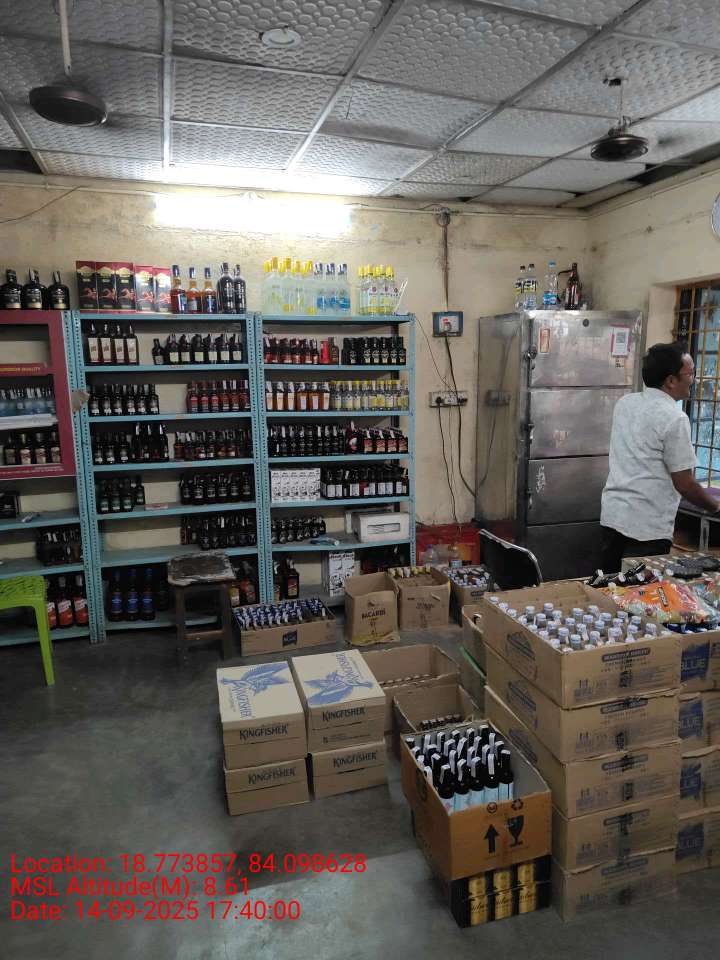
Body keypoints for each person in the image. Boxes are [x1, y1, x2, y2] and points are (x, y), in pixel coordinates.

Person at [600, 341, 720, 574]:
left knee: (609, 586)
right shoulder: (674, 418)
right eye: (690, 374)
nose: (694, 380)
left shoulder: (626, 403)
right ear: (671, 380)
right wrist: (714, 507)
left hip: (614, 515)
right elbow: (684, 483)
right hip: (647, 528)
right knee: (640, 592)